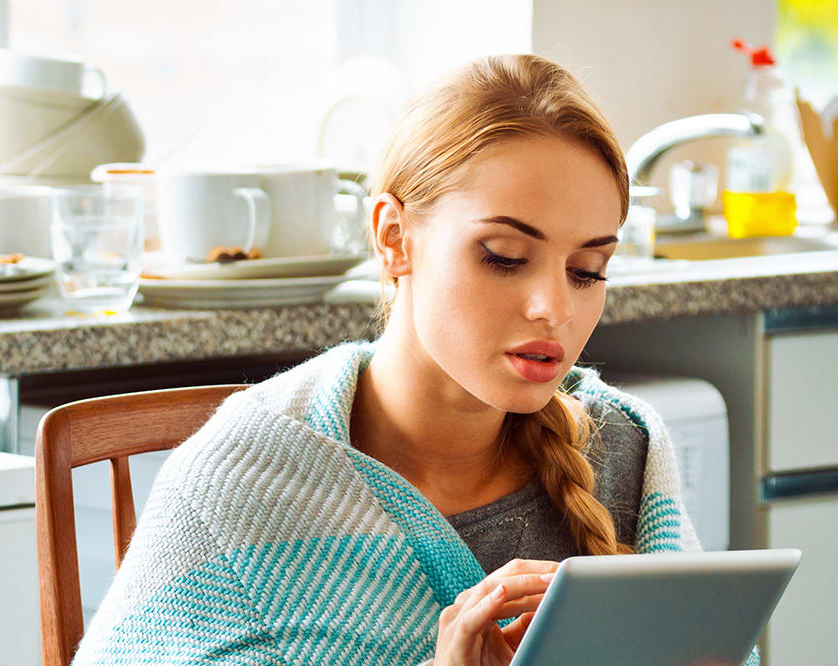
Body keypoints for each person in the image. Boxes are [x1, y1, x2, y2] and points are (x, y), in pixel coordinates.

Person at [72, 53, 759, 666]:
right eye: (505, 257)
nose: (554, 306)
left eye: (587, 270)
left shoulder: (621, 451)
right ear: (394, 237)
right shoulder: (237, 491)